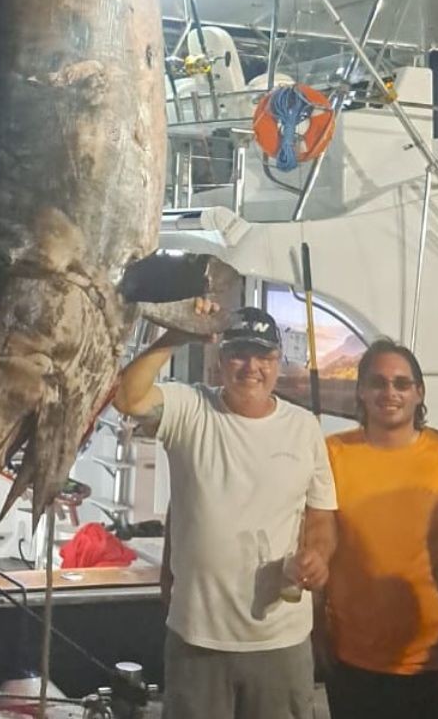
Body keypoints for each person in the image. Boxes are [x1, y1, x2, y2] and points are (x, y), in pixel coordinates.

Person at [115, 306, 338, 719]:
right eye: (239, 354)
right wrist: (179, 332)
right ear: (220, 360)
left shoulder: (304, 428)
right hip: (197, 637)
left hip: (280, 640)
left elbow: (321, 514)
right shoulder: (190, 407)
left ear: (277, 363)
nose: (251, 367)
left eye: (263, 356)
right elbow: (127, 397)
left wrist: (319, 556)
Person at [321, 339, 438, 718]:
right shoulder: (330, 455)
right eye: (377, 382)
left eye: (401, 383)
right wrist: (316, 637)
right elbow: (319, 546)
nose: (389, 392)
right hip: (354, 661)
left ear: (419, 392)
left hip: (437, 661)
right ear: (360, 391)